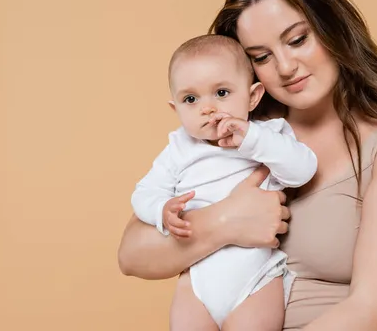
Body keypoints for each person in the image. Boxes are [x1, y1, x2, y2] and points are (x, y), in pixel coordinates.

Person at [118, 0, 377, 331]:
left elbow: (376, 314)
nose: (285, 66)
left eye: (297, 40)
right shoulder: (238, 131)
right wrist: (224, 222)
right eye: (261, 56)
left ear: (332, 27)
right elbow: (132, 254)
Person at [130, 34, 317, 330]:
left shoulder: (266, 136)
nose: (207, 108)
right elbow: (144, 192)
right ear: (176, 109)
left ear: (253, 97)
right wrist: (161, 210)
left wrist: (252, 139)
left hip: (255, 279)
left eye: (221, 93)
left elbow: (303, 169)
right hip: (197, 282)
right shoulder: (179, 148)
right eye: (190, 99)